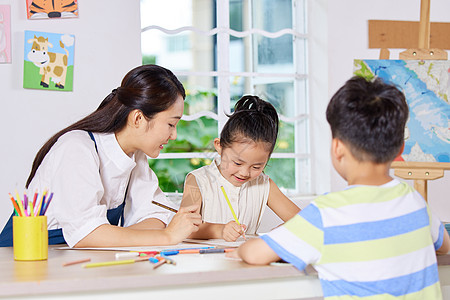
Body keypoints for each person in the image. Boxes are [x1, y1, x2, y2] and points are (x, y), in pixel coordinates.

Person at [228, 76, 450, 299]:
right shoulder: (415, 201)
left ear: (337, 148)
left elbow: (255, 254)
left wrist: (247, 246)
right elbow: (444, 246)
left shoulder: (328, 213)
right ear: (400, 148)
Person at [0, 64, 202, 248]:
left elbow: (156, 217)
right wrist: (166, 237)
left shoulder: (135, 157)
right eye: (171, 124)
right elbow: (85, 234)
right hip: (19, 264)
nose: (174, 135)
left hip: (70, 263)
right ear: (138, 118)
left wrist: (107, 235)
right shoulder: (77, 147)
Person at [180, 95, 300, 242]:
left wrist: (282, 231)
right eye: (237, 163)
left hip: (246, 260)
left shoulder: (264, 184)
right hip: (206, 261)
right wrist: (220, 230)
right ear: (219, 146)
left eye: (257, 166)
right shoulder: (197, 180)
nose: (244, 173)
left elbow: (304, 221)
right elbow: (183, 228)